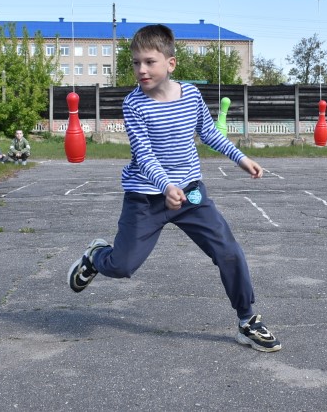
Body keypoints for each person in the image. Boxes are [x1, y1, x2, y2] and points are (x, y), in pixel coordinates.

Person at [67, 24, 280, 352]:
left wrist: (240, 158)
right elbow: (144, 155)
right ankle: (97, 257)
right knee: (122, 266)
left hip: (191, 195)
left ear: (171, 63)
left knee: (228, 251)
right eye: (136, 63)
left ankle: (247, 320)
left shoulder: (191, 95)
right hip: (146, 197)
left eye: (149, 62)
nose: (141, 69)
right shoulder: (134, 104)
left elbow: (208, 132)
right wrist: (166, 185)